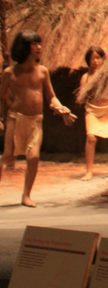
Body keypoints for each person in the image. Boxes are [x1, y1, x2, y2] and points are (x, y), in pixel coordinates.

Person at [0, 31, 75, 207]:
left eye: (39, 44)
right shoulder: (10, 73)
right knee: (8, 158)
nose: (39, 47)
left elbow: (51, 97)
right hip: (16, 119)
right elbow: (1, 95)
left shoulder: (43, 72)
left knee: (33, 157)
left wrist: (61, 107)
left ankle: (26, 195)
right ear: (24, 47)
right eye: (35, 44)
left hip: (36, 121)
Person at [77, 45, 108, 180]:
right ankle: (89, 171)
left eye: (97, 58)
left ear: (102, 59)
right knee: (91, 138)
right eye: (92, 59)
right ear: (88, 61)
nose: (95, 61)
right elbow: (81, 97)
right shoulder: (85, 77)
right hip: (93, 110)